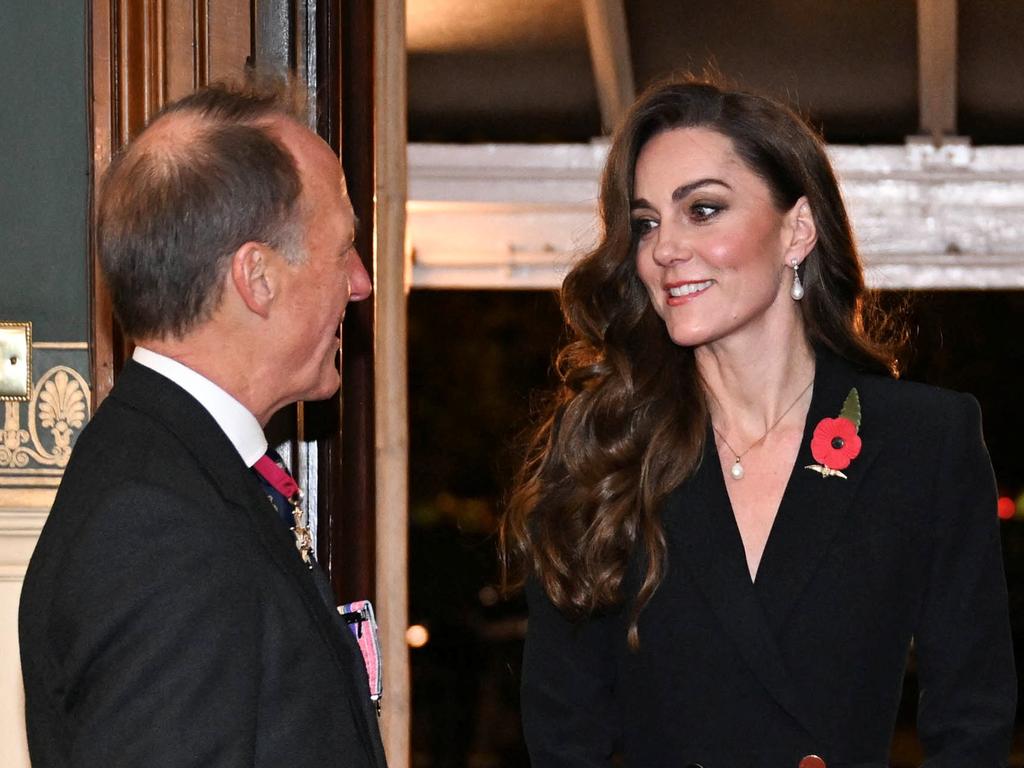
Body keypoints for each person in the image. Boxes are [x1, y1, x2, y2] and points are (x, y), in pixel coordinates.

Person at [500, 77, 1016, 767]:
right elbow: (565, 737)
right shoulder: (604, 448)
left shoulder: (923, 440)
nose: (664, 250)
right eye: (647, 223)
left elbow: (973, 724)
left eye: (703, 210)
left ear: (797, 230)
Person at [19, 78, 387, 767]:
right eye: (343, 249)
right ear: (258, 278)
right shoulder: (159, 527)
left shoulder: (184, 472)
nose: (359, 281)